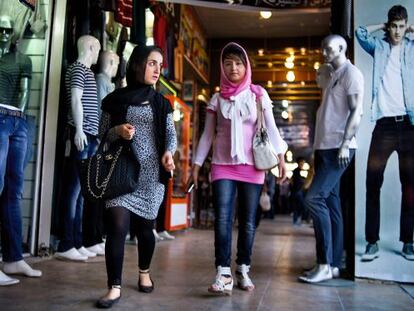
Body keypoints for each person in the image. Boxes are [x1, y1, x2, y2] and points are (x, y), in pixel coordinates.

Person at [192, 42, 287, 295]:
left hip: (253, 167)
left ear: (246, 66)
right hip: (222, 166)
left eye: (238, 63)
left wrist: (281, 157)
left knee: (247, 221)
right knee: (222, 219)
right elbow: (207, 135)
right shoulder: (216, 99)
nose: (233, 68)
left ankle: (243, 267)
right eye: (228, 63)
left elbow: (272, 128)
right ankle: (223, 272)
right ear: (222, 68)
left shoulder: (258, 94)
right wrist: (197, 164)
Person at [95, 45, 176, 308]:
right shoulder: (114, 100)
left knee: (145, 229)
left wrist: (168, 154)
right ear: (137, 65)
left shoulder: (162, 103)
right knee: (117, 226)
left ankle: (144, 272)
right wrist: (117, 130)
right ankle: (114, 287)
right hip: (121, 173)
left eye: (160, 65)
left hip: (152, 176)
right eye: (152, 63)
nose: (157, 69)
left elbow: (171, 137)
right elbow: (102, 136)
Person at [299, 34, 364, 283]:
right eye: (322, 48)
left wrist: (346, 143)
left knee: (313, 198)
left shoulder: (351, 73)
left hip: (340, 147)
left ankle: (325, 264)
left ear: (341, 49)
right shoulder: (332, 76)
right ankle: (333, 263)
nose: (324, 52)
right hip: (325, 148)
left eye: (328, 49)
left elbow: (357, 110)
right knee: (333, 205)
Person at [355, 5, 414, 262]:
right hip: (384, 125)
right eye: (394, 26)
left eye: (402, 26)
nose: (398, 32)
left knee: (410, 186)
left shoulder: (412, 48)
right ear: (389, 26)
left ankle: (408, 242)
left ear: (407, 26)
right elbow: (359, 33)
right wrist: (381, 26)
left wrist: (412, 29)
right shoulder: (378, 47)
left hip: (409, 125)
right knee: (372, 182)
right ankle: (372, 242)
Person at [0, 15, 42, 286]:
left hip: (18, 122)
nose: (4, 33)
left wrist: (20, 118)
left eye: (7, 28)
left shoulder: (22, 59)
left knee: (14, 190)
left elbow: (25, 92)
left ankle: (14, 257)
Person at [54, 35, 101, 262]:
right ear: (90, 48)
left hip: (91, 136)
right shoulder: (78, 70)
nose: (97, 56)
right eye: (97, 50)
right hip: (81, 134)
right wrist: (79, 130)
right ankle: (66, 243)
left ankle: (77, 241)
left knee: (82, 191)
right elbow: (75, 99)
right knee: (73, 190)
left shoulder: (88, 72)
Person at [81, 50, 121, 257]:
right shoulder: (100, 80)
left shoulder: (106, 82)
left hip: (103, 139)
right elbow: (102, 112)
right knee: (92, 191)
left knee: (98, 192)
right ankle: (90, 237)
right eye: (115, 64)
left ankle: (95, 236)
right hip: (97, 139)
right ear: (112, 62)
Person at [291, 157, 306, 226]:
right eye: (302, 162)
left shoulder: (299, 171)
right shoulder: (297, 171)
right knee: (299, 206)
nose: (303, 164)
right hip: (297, 191)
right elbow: (296, 181)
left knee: (298, 206)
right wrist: (303, 181)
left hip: (298, 191)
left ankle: (296, 221)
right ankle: (296, 221)